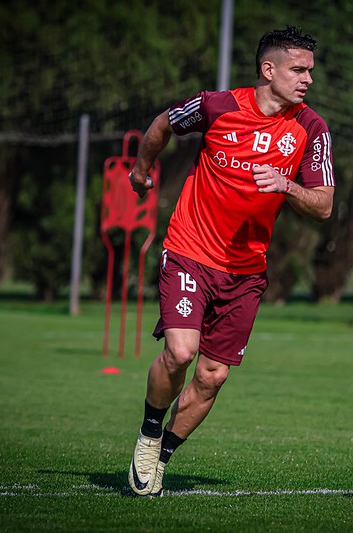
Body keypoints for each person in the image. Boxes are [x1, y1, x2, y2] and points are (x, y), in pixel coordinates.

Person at [126, 26, 335, 497]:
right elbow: (162, 124)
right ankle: (149, 432)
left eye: (310, 72)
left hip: (245, 272)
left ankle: (161, 456)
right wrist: (141, 171)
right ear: (268, 70)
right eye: (298, 70)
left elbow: (323, 204)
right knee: (180, 353)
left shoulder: (311, 128)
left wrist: (287, 186)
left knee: (212, 375)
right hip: (189, 250)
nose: (307, 80)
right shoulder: (218, 106)